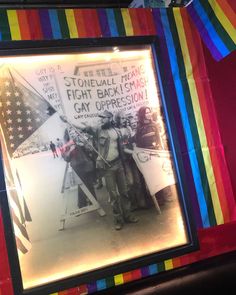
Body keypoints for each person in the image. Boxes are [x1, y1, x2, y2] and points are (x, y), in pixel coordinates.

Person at [95, 110, 139, 230]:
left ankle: (128, 215)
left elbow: (123, 147)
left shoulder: (116, 131)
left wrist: (135, 151)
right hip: (108, 167)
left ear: (110, 118)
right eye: (101, 118)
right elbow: (85, 128)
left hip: (119, 164)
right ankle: (118, 219)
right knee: (113, 195)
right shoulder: (98, 130)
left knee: (124, 191)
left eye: (103, 118)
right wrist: (67, 120)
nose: (101, 120)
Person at [135, 106, 173, 205]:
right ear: (142, 114)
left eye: (149, 112)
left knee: (162, 174)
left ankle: (166, 196)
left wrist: (161, 149)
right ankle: (159, 199)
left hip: (157, 152)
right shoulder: (139, 128)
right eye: (146, 113)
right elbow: (138, 143)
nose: (148, 114)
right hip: (147, 155)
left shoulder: (154, 125)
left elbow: (158, 139)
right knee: (153, 177)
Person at [115, 111, 148, 210]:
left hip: (133, 159)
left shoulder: (128, 129)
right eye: (121, 118)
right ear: (117, 119)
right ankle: (133, 204)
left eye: (124, 118)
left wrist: (135, 149)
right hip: (125, 160)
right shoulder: (117, 131)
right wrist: (133, 152)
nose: (124, 120)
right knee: (130, 182)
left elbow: (132, 142)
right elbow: (123, 148)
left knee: (137, 181)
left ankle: (141, 202)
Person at [62, 127, 97, 208]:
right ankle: (82, 203)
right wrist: (70, 150)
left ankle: (91, 202)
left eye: (74, 131)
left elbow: (91, 150)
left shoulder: (80, 141)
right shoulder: (66, 145)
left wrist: (85, 145)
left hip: (87, 165)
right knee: (82, 185)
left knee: (89, 184)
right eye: (71, 132)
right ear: (68, 135)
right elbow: (66, 158)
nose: (73, 133)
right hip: (77, 168)